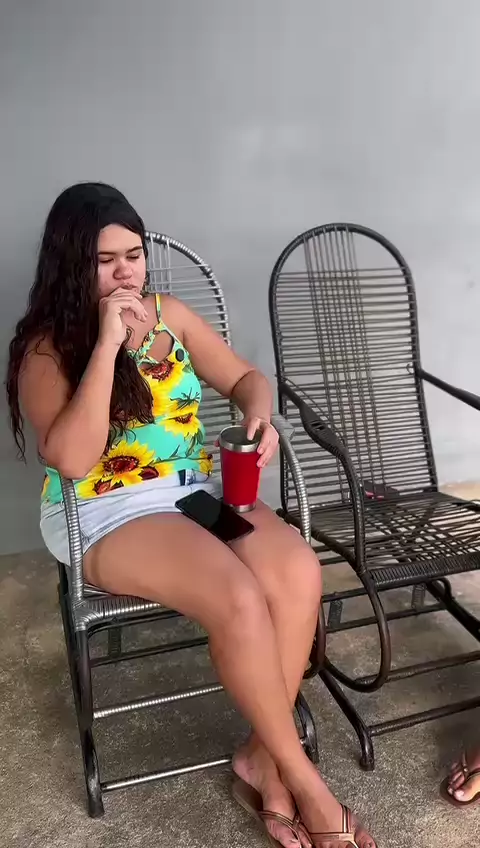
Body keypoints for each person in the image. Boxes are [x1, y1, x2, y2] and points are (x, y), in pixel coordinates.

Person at [6, 182, 377, 848]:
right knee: (237, 595)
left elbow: (246, 379)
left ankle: (260, 757)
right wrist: (106, 347)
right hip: (106, 511)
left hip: (191, 498)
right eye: (105, 261)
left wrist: (258, 417)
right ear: (69, 264)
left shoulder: (168, 314)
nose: (126, 273)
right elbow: (73, 459)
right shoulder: (47, 349)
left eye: (134, 255)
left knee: (295, 569)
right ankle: (304, 784)